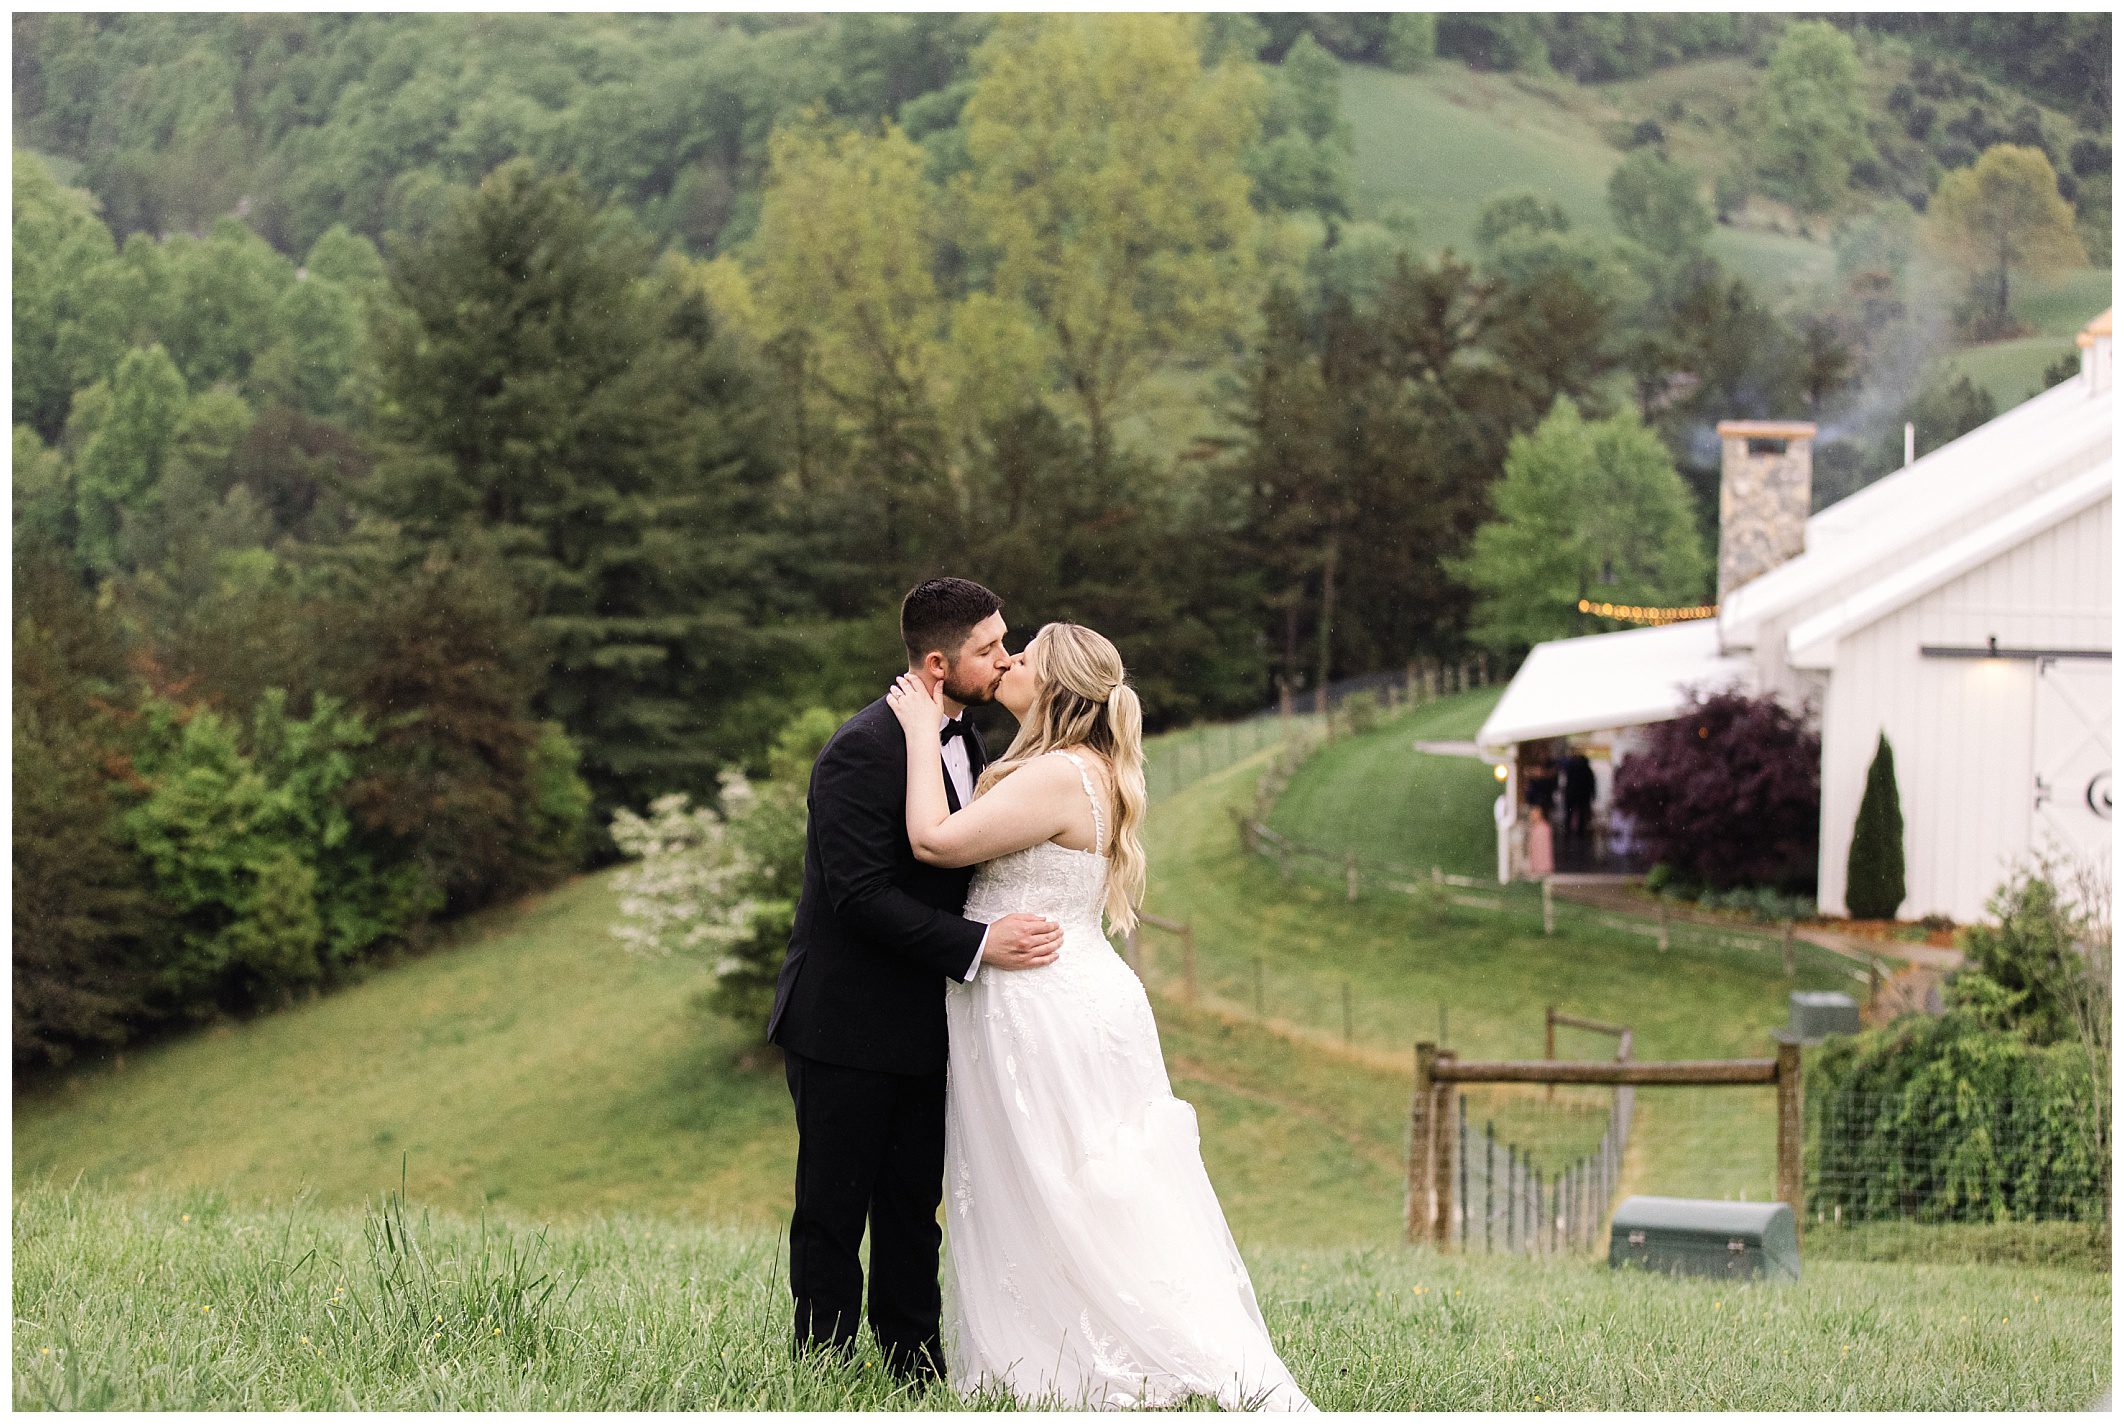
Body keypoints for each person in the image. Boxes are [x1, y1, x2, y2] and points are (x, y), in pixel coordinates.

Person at [886, 621, 1315, 1412]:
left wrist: (918, 731)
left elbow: (935, 842)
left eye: (1024, 659)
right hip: (1074, 991)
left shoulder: (1056, 775)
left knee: (1059, 1183)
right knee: (1075, 1180)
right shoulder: (1085, 768)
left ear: (1052, 687)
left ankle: (1082, 1357)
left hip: (1042, 1004)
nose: (1007, 664)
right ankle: (1059, 1344)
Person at [766, 578, 1066, 1384]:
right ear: (938, 664)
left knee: (912, 1208)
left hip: (929, 1025)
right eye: (988, 650)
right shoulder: (862, 748)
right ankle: (821, 1369)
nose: (1005, 661)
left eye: (1005, 642)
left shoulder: (970, 743)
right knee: (832, 1210)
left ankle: (914, 1367)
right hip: (844, 1022)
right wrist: (980, 945)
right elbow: (860, 898)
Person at [1524, 803, 1554, 880]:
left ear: (1539, 815)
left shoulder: (1542, 829)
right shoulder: (1534, 827)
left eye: (1533, 814)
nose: (1531, 816)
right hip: (1537, 866)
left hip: (1541, 867)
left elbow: (1541, 850)